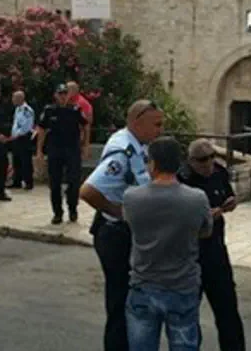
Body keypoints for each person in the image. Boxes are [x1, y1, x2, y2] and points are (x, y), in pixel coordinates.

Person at [79, 99, 164, 351]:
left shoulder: (138, 146)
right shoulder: (123, 151)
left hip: (127, 233)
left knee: (130, 302)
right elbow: (88, 190)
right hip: (115, 233)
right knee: (120, 303)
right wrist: (119, 212)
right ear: (137, 121)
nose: (160, 130)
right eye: (156, 124)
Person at [124, 136, 213, 351]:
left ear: (152, 164)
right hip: (182, 285)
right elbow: (206, 231)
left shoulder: (132, 197)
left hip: (144, 283)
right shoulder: (197, 198)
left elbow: (131, 226)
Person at [177, 139, 246, 351]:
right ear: (191, 161)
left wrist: (230, 203)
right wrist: (207, 217)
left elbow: (228, 194)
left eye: (211, 158)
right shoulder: (182, 180)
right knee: (188, 313)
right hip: (191, 254)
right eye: (202, 160)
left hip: (216, 251)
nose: (208, 164)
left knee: (227, 309)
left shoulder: (219, 173)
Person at [36, 84, 88, 224]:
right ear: (55, 95)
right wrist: (39, 150)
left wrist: (85, 145)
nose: (63, 96)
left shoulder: (75, 110)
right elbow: (41, 130)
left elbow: (85, 125)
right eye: (60, 94)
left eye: (65, 93)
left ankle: (72, 208)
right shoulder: (49, 111)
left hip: (72, 150)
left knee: (74, 181)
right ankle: (57, 213)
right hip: (55, 150)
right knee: (54, 183)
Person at [8, 90, 35, 190]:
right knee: (16, 160)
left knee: (26, 161)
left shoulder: (27, 110)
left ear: (20, 98)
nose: (13, 100)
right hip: (16, 138)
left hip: (24, 138)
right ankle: (17, 181)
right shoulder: (17, 109)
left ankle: (29, 182)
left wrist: (18, 134)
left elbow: (26, 126)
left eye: (14, 98)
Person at [67, 81, 93, 158]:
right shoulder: (67, 101)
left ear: (74, 90)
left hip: (77, 138)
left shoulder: (81, 103)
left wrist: (86, 144)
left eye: (67, 90)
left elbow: (87, 122)